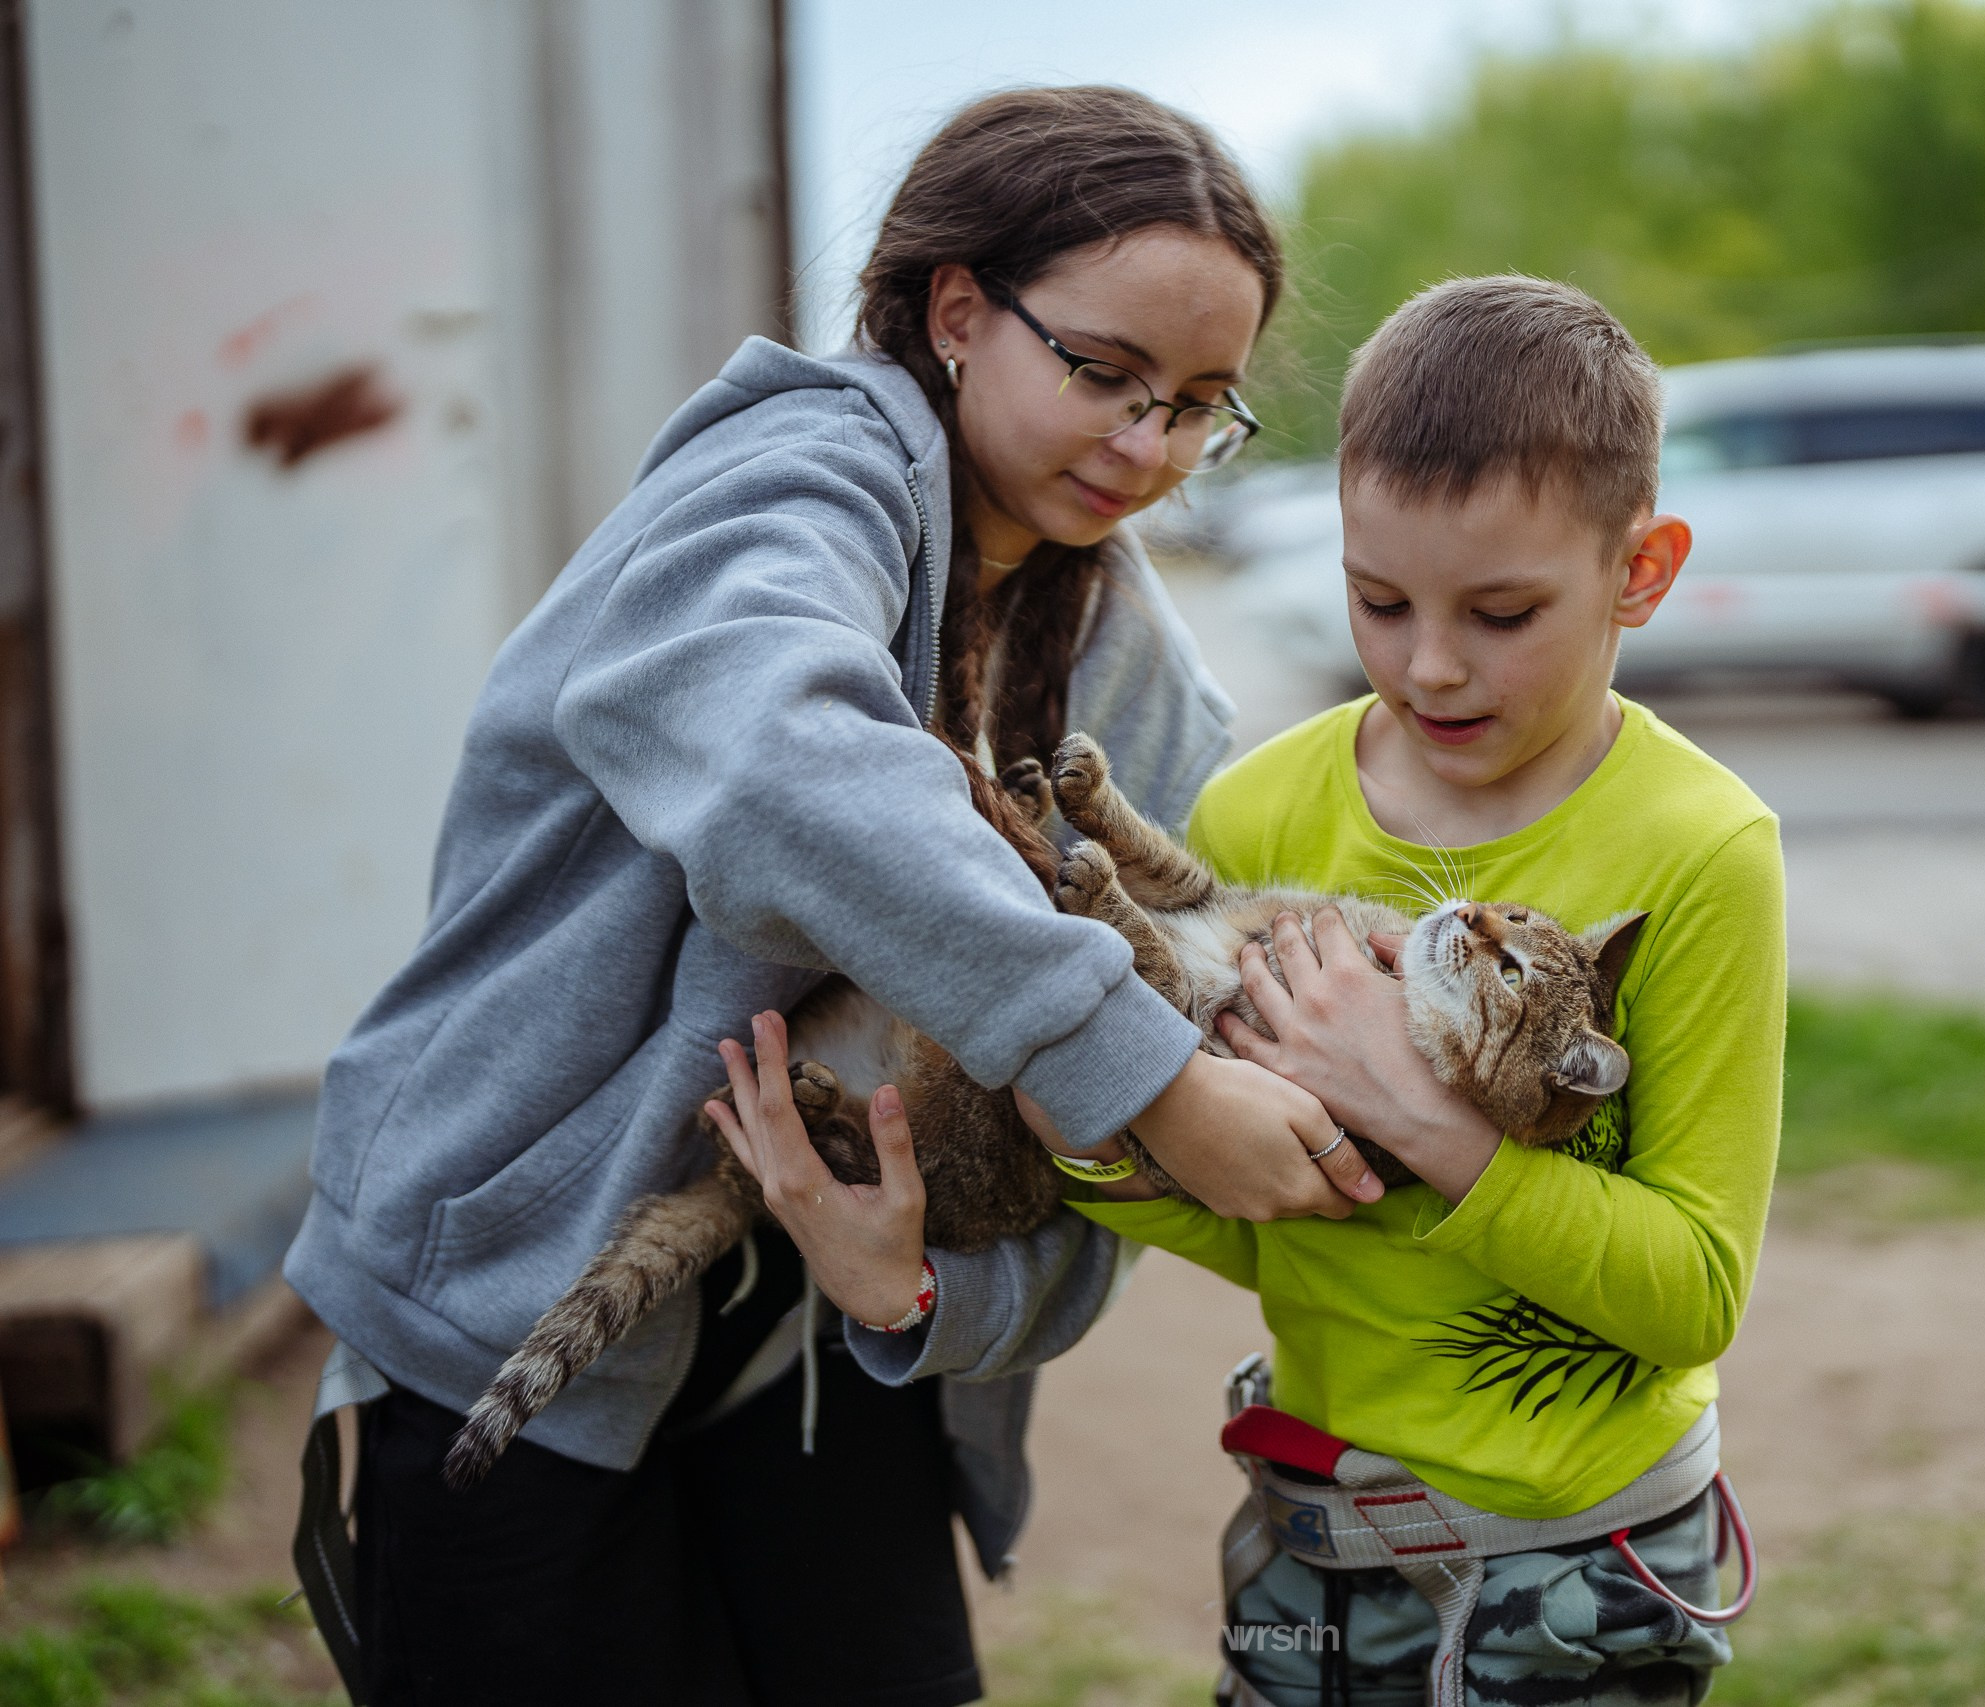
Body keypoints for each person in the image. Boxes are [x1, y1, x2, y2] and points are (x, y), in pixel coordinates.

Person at [281, 86, 1381, 1707]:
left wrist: (934, 1293)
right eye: (1103, 374)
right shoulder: (789, 485)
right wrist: (1145, 1070)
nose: (1147, 447)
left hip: (834, 1348)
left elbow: (1112, 1158)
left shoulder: (1141, 691)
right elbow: (779, 757)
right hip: (523, 1289)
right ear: (955, 309)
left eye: (1201, 404)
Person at [1065, 277, 1786, 1705]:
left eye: (1503, 612)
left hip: (1585, 1569)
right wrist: (1088, 1137)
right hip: (1311, 1543)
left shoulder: (1704, 849)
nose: (1429, 665)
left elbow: (1695, 1294)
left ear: (1641, 572)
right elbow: (1278, 1236)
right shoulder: (1263, 807)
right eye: (1376, 600)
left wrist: (1418, 1110)